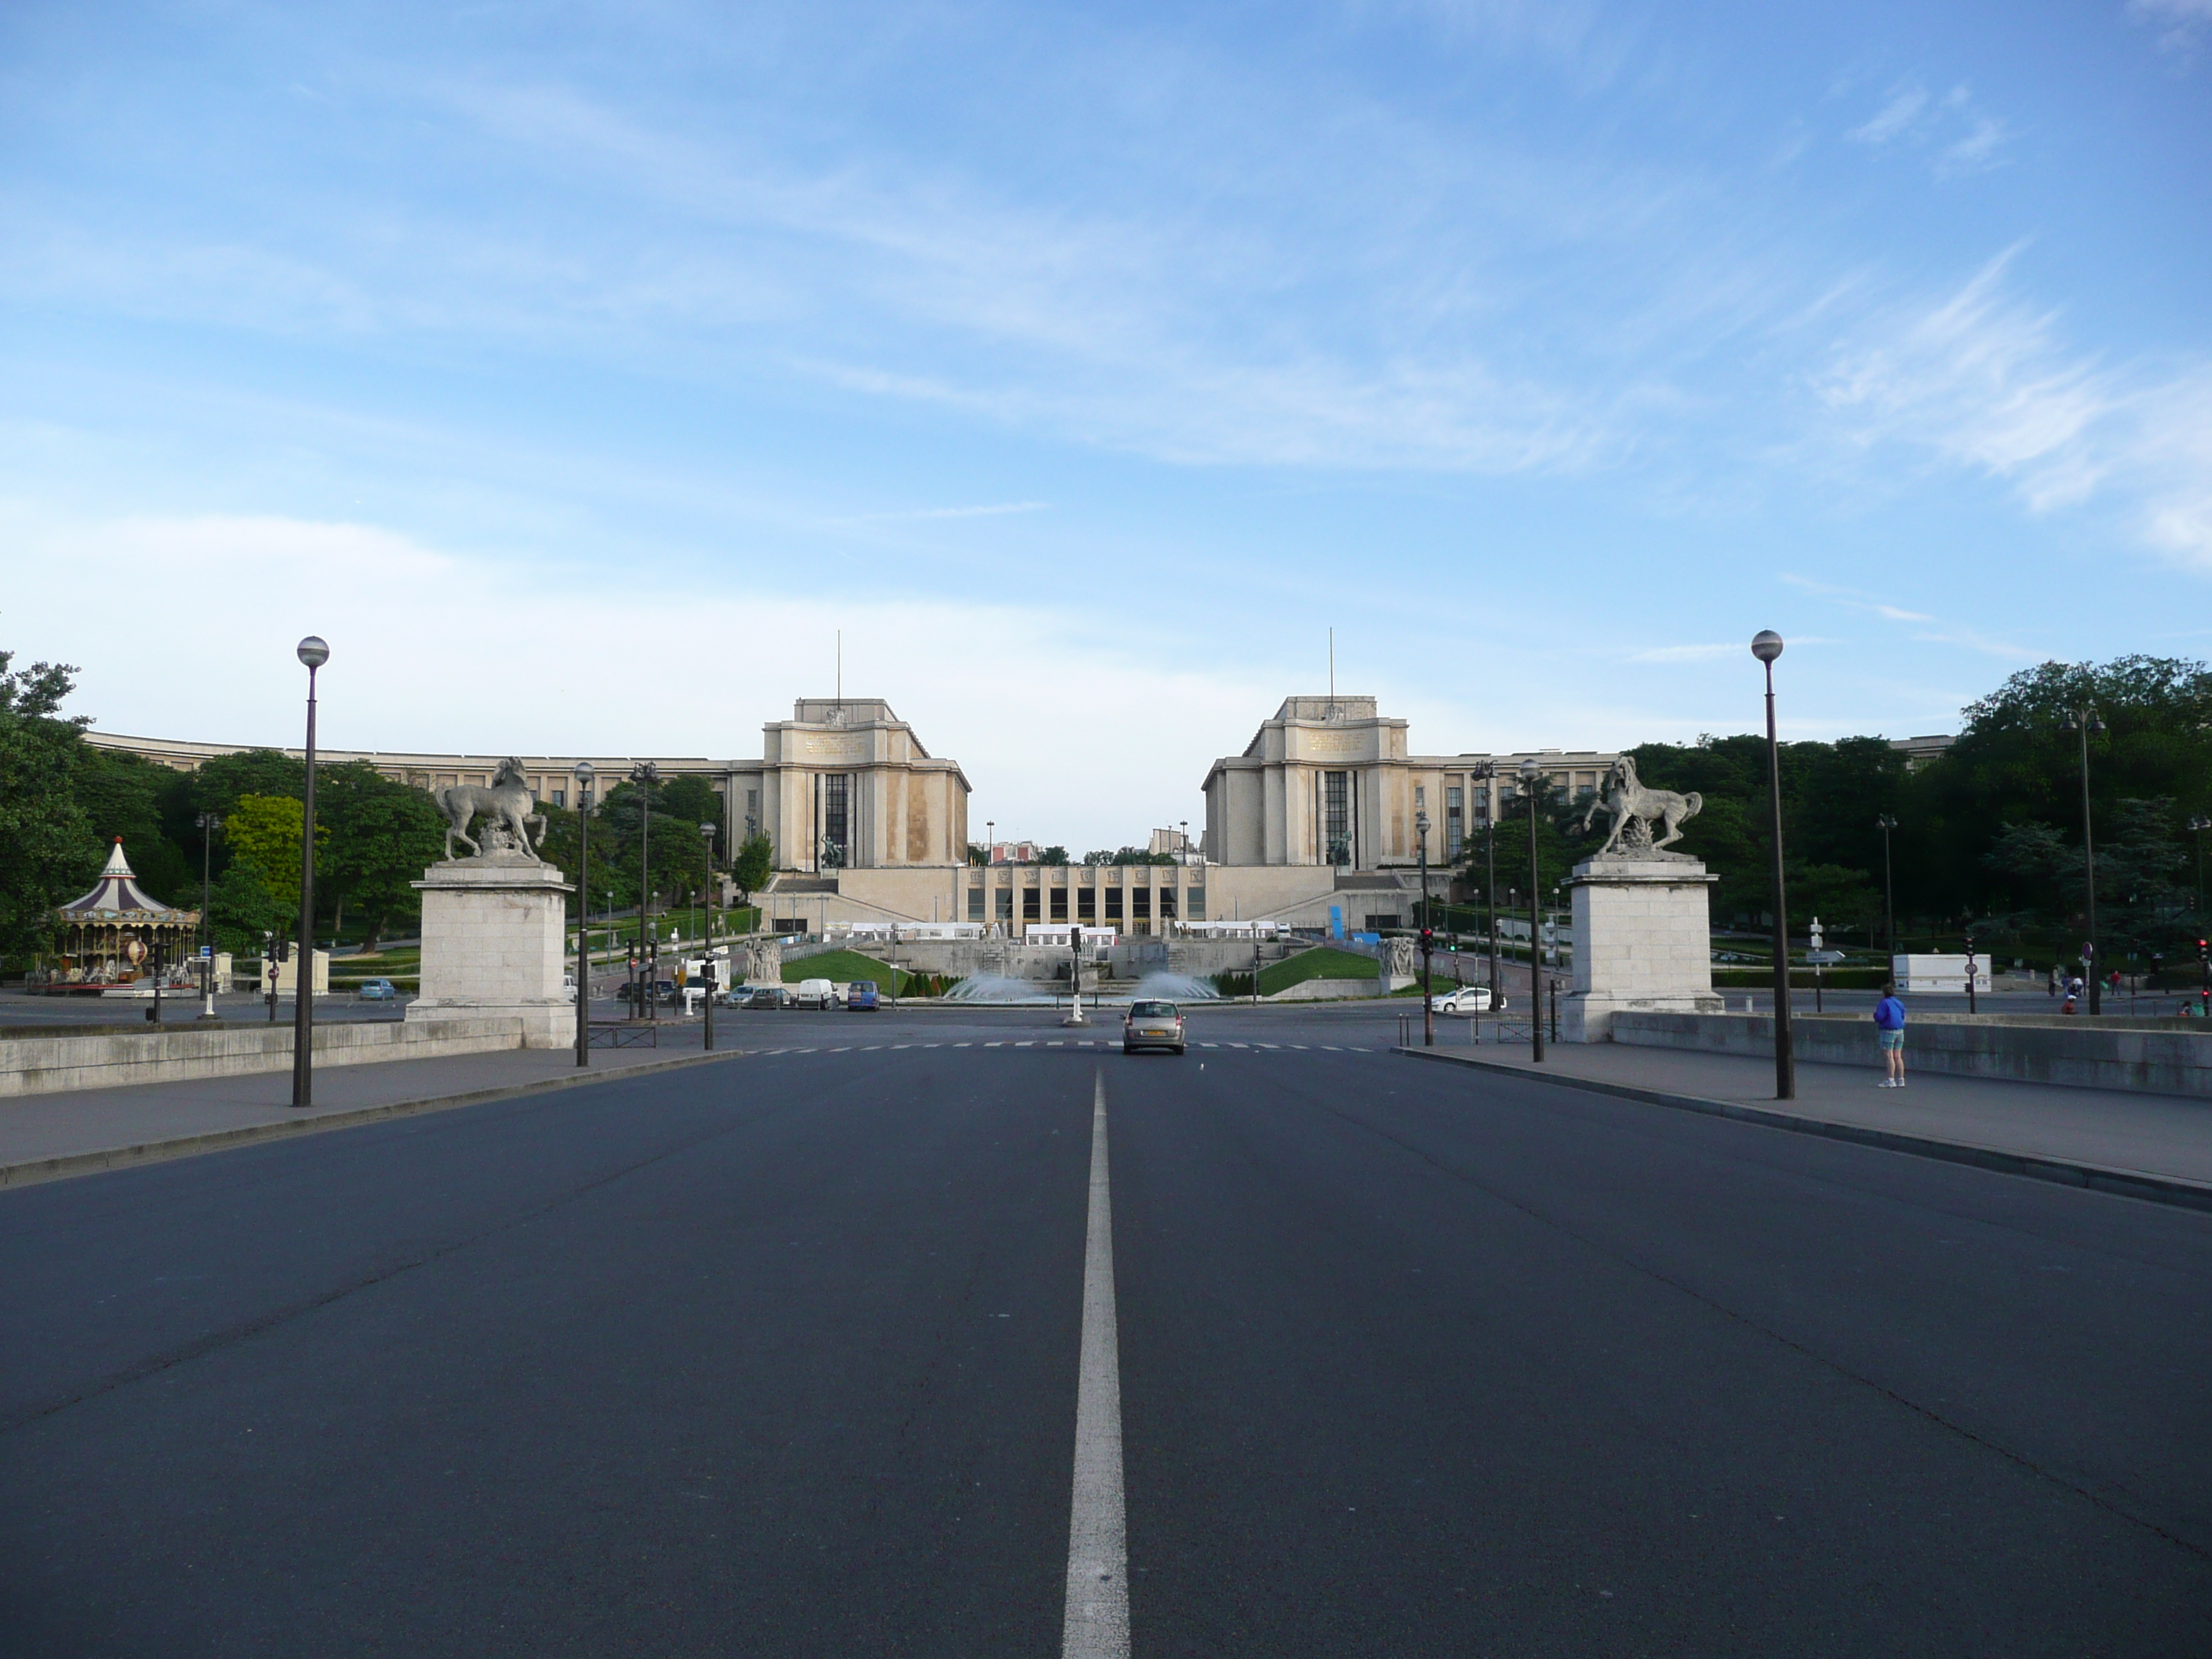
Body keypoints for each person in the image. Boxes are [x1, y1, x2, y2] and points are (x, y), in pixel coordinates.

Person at [1874, 982, 1907, 1087]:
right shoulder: (1898, 1003)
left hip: (1888, 1031)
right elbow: (1903, 1015)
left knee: (1889, 1056)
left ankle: (1890, 1080)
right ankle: (1901, 1080)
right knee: (1898, 1056)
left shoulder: (1884, 1003)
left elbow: (1879, 1017)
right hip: (1900, 1031)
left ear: (1884, 993)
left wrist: (1875, 1016)